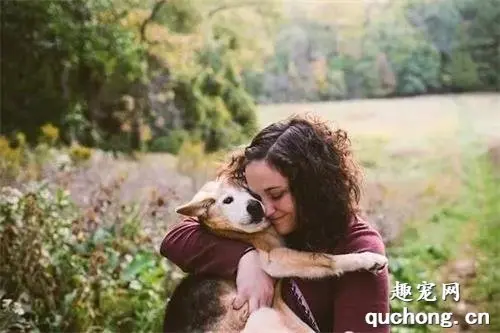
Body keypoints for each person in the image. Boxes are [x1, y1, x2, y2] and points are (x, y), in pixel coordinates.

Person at [161, 115, 390, 332]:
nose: (265, 210)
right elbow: (175, 239)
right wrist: (246, 259)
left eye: (277, 194)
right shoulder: (252, 225)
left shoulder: (358, 245)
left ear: (313, 189)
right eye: (256, 196)